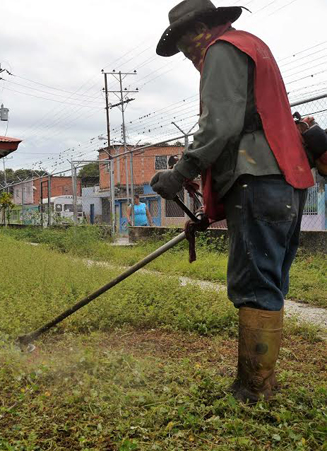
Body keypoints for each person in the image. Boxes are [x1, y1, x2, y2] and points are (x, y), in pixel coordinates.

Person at [151, 0, 315, 403]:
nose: (189, 54)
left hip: (257, 179)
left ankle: (253, 390)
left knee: (255, 282)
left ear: (205, 26)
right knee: (270, 280)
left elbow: (218, 127)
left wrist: (179, 172)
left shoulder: (222, 50)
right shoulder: (251, 45)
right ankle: (264, 381)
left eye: (188, 42)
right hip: (285, 178)